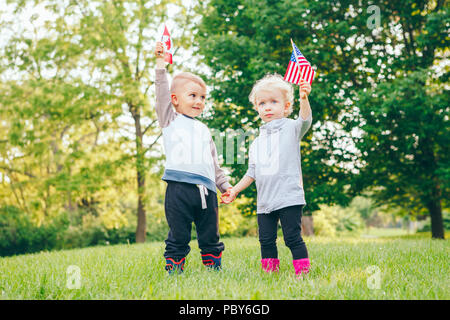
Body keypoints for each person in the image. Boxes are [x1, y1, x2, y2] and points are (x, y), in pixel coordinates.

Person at [221, 74, 312, 277]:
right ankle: (270, 274)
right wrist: (234, 190)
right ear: (257, 108)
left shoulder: (291, 128)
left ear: (286, 106)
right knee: (266, 240)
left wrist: (304, 98)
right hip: (265, 200)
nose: (267, 107)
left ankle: (303, 273)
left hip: (289, 197)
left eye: (273, 102)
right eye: (262, 103)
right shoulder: (257, 143)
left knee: (292, 238)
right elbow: (251, 173)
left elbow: (305, 120)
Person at [154, 41, 231, 274]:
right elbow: (161, 92)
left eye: (203, 97)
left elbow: (214, 164)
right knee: (179, 233)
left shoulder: (204, 130)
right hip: (179, 189)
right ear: (175, 99)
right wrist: (160, 64)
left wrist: (224, 186)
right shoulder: (170, 119)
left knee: (210, 233)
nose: (199, 101)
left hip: (207, 190)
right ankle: (175, 270)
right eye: (193, 95)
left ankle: (213, 268)